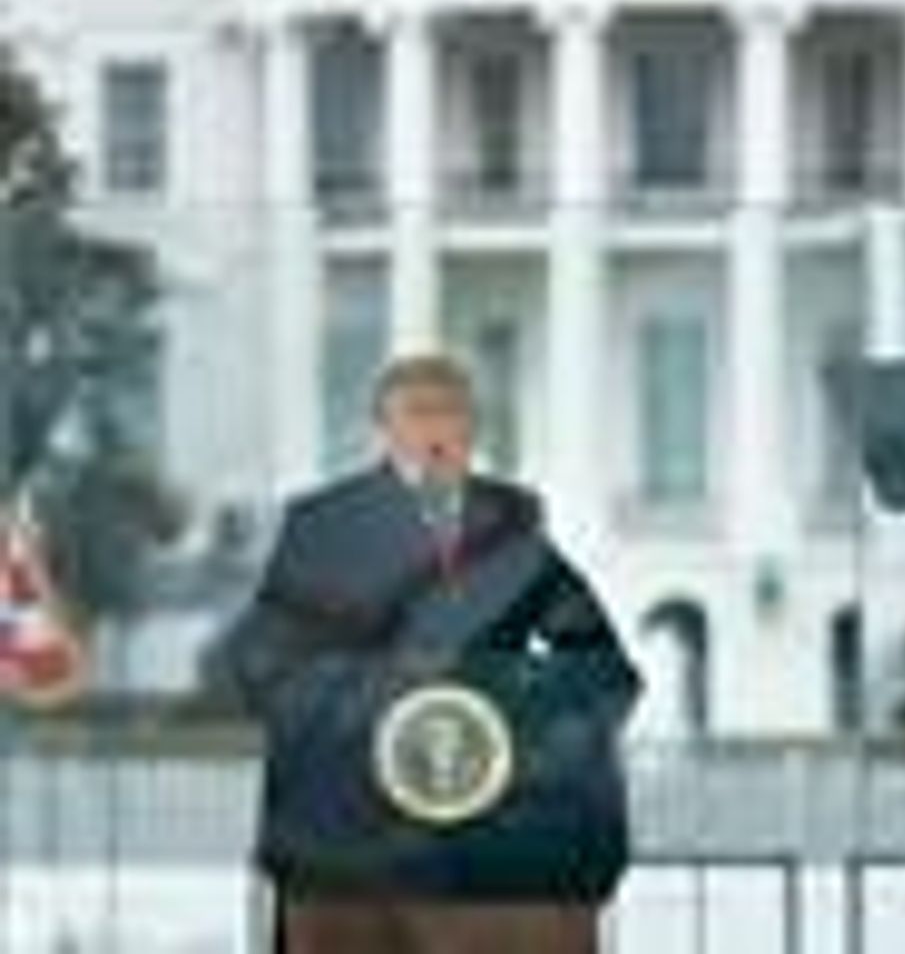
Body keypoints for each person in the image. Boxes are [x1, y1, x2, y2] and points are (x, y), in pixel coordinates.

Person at [210, 353, 642, 953]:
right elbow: (260, 661)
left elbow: (602, 665)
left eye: (451, 413)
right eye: (416, 413)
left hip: (495, 833)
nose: (435, 430)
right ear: (383, 428)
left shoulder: (514, 524)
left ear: (474, 429)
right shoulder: (323, 523)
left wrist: (525, 697)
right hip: (353, 827)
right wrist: (371, 691)